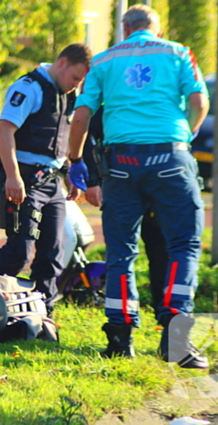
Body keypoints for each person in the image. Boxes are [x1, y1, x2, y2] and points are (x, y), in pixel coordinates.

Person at [67, 4, 209, 368]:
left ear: (125, 28)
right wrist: (185, 135)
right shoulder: (179, 53)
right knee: (183, 245)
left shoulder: (102, 61)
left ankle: (120, 339)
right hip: (170, 158)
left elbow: (81, 115)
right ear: (155, 30)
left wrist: (76, 159)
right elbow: (198, 101)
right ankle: (176, 340)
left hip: (122, 164)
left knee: (121, 252)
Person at [0, 43, 92, 315]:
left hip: (52, 182)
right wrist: (12, 177)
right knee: (19, 251)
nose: (76, 86)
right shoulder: (28, 88)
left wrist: (68, 174)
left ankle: (42, 315)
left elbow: (60, 139)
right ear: (62, 63)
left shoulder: (66, 94)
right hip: (24, 179)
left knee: (53, 252)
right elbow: (5, 131)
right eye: (75, 78)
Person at [81, 107, 169, 320]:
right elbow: (86, 131)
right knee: (126, 254)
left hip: (135, 181)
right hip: (131, 181)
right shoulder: (117, 100)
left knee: (155, 253)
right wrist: (92, 179)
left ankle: (135, 323)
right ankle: (142, 322)